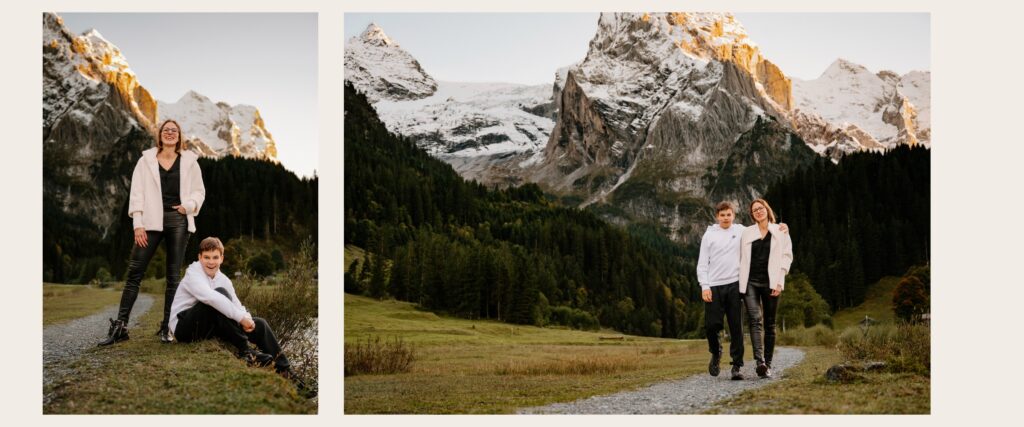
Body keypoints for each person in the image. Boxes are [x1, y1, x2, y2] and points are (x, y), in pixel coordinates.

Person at [98, 119, 205, 346]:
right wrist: (137, 223)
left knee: (173, 277)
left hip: (178, 219)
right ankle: (121, 327)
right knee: (135, 272)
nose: (169, 133)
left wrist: (188, 206)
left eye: (174, 130)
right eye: (166, 130)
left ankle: (168, 327)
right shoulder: (145, 160)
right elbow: (136, 193)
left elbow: (199, 191)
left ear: (179, 136)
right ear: (159, 135)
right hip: (150, 221)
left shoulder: (190, 161)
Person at [170, 237, 307, 394]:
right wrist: (240, 319)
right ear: (200, 257)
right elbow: (211, 298)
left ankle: (286, 371)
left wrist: (247, 318)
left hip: (209, 325)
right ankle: (245, 351)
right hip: (184, 327)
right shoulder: (192, 274)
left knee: (260, 323)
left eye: (215, 257)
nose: (211, 262)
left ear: (222, 258)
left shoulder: (223, 279)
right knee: (218, 297)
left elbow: (236, 304)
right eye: (206, 257)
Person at [697, 201, 788, 380]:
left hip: (735, 284)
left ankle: (737, 366)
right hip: (714, 286)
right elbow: (702, 263)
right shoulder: (709, 234)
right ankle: (716, 352)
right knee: (711, 326)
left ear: (734, 215)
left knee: (736, 327)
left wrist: (781, 226)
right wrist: (704, 286)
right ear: (717, 216)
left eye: (728, 214)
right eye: (722, 215)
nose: (725, 218)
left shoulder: (741, 231)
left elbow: (763, 227)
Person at [739, 198, 793, 378]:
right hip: (750, 282)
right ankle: (759, 361)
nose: (758, 212)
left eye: (761, 208)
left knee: (770, 324)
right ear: (752, 215)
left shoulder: (780, 230)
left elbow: (787, 256)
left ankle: (767, 365)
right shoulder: (747, 232)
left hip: (771, 282)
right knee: (755, 320)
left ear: (767, 209)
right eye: (755, 210)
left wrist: (780, 281)